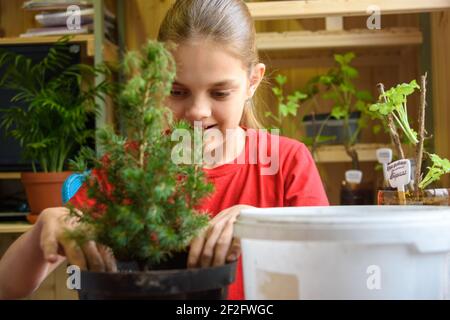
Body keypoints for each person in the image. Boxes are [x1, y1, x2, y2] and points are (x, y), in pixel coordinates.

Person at [0, 0, 328, 300]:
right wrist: (44, 228)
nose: (198, 111)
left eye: (220, 93)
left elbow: (330, 275)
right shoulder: (130, 166)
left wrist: (265, 226)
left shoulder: (286, 163)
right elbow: (7, 287)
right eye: (178, 90)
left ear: (252, 81)